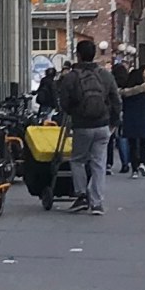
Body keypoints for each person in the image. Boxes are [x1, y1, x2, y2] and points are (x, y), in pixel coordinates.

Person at [49, 40, 119, 212]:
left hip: (82, 125)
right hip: (102, 125)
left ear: (78, 55)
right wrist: (114, 123)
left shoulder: (72, 76)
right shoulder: (105, 75)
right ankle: (97, 202)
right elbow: (116, 100)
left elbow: (64, 102)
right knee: (98, 163)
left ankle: (81, 195)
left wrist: (73, 112)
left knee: (78, 160)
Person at [120, 63, 145, 177]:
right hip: (143, 119)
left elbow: (123, 105)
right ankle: (142, 162)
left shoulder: (126, 93)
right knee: (143, 143)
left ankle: (134, 169)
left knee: (132, 144)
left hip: (130, 120)